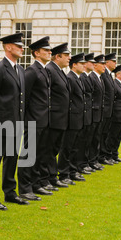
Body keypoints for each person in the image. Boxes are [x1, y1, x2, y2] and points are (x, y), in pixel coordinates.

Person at [0, 33, 28, 206]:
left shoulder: (20, 70)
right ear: (8, 47)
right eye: (19, 46)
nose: (22, 48)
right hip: (0, 123)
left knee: (12, 159)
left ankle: (10, 192)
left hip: (16, 122)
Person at [17, 36, 54, 202]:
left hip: (44, 119)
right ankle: (25, 188)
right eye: (46, 50)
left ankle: (36, 183)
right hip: (33, 120)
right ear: (37, 53)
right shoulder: (32, 71)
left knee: (40, 154)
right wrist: (26, 119)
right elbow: (25, 97)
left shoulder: (44, 70)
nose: (49, 52)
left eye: (49, 50)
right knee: (28, 155)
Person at [45, 43, 73, 187]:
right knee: (50, 150)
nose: (69, 58)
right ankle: (51, 178)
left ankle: (51, 177)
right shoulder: (50, 70)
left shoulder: (60, 71)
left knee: (54, 149)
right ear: (58, 56)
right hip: (54, 118)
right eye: (66, 55)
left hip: (61, 118)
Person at [64, 52, 87, 182]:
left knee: (75, 147)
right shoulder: (70, 78)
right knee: (68, 148)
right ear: (74, 65)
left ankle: (73, 170)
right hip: (72, 118)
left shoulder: (77, 78)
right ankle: (64, 173)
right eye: (81, 64)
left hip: (78, 118)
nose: (84, 66)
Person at [77, 52, 96, 174]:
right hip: (14, 120)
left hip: (86, 113)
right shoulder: (81, 77)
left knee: (85, 141)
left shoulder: (85, 77)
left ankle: (81, 164)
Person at [107, 63, 121, 162]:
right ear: (118, 74)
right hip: (116, 116)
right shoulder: (114, 84)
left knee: (118, 137)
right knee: (112, 136)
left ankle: (115, 155)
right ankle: (109, 155)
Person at [88, 54, 106, 171]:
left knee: (96, 138)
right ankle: (89, 161)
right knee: (90, 139)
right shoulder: (92, 77)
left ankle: (93, 160)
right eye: (102, 64)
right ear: (95, 66)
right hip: (93, 113)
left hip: (99, 113)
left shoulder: (99, 78)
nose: (104, 66)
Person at [99, 53, 117, 165]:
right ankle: (100, 156)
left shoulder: (109, 75)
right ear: (107, 62)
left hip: (109, 111)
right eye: (113, 61)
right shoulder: (104, 74)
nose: (116, 63)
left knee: (105, 134)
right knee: (101, 135)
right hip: (104, 111)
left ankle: (103, 155)